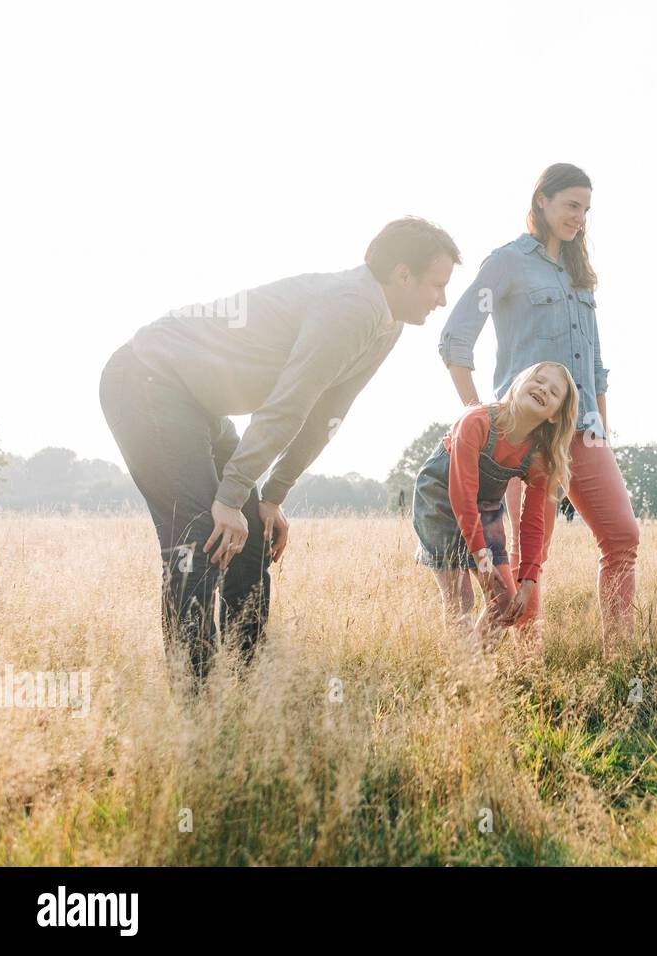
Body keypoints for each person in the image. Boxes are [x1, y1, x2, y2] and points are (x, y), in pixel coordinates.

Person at [100, 217, 459, 685]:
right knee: (201, 533)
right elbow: (287, 406)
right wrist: (229, 498)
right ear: (402, 275)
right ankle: (196, 699)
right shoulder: (351, 306)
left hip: (198, 402)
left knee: (251, 535)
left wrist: (270, 497)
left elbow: (327, 411)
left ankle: (247, 684)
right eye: (437, 284)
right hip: (147, 379)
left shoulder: (388, 324)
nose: (442, 299)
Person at [439, 163, 639, 649]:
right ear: (542, 201)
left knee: (622, 538)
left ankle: (622, 658)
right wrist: (482, 421)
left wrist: (603, 434)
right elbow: (455, 339)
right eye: (572, 205)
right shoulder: (506, 263)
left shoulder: (581, 275)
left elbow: (595, 365)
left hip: (584, 428)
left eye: (586, 210)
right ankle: (524, 668)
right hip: (524, 436)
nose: (580, 218)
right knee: (533, 554)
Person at [412, 363, 577, 647]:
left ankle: (472, 669)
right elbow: (462, 495)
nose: (542, 389)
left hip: (484, 507)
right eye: (538, 380)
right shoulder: (477, 421)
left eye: (553, 392)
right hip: (441, 499)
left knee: (504, 604)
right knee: (461, 599)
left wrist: (528, 579)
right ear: (520, 382)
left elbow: (533, 521)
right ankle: (469, 678)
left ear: (554, 416)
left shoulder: (539, 457)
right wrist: (482, 560)